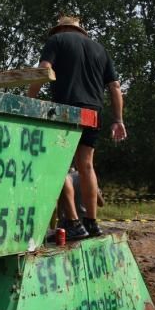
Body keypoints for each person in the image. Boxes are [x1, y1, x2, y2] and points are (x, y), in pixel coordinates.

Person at [28, 15, 126, 239]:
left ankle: (73, 222)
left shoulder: (57, 41)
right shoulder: (100, 49)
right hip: (93, 112)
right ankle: (91, 222)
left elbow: (43, 70)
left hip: (67, 110)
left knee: (58, 166)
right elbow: (115, 86)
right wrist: (118, 119)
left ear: (60, 29)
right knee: (86, 166)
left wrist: (29, 101)